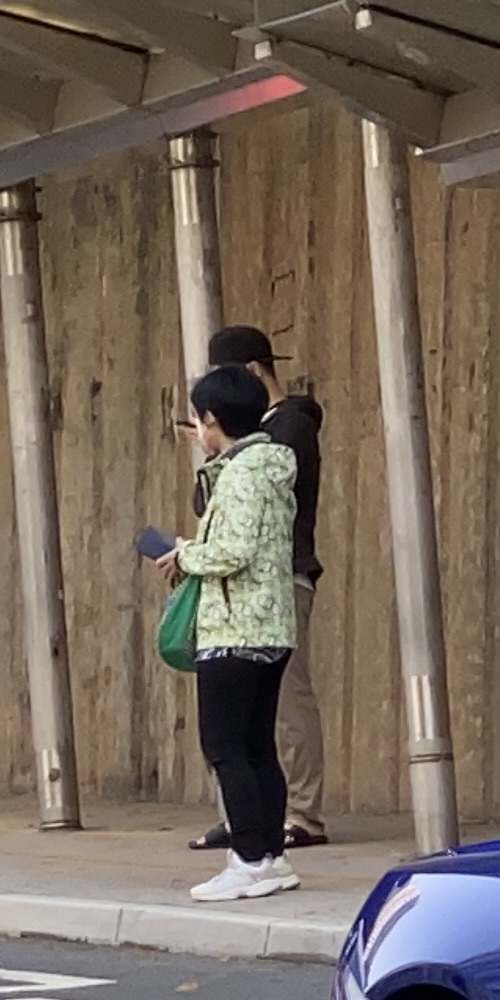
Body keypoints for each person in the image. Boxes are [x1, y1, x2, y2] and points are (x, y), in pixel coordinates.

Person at [144, 365, 302, 903]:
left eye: (199, 419)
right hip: (271, 626)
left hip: (233, 629)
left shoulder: (240, 474)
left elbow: (232, 552)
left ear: (212, 420)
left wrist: (184, 552)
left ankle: (249, 859)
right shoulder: (272, 465)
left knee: (225, 746)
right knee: (258, 746)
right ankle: (272, 857)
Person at [188, 325, 326, 851]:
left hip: (269, 589)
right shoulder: (250, 453)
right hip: (248, 598)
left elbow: (232, 543)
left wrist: (186, 555)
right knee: (249, 733)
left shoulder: (282, 435)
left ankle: (299, 817)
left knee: (274, 715)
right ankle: (253, 829)